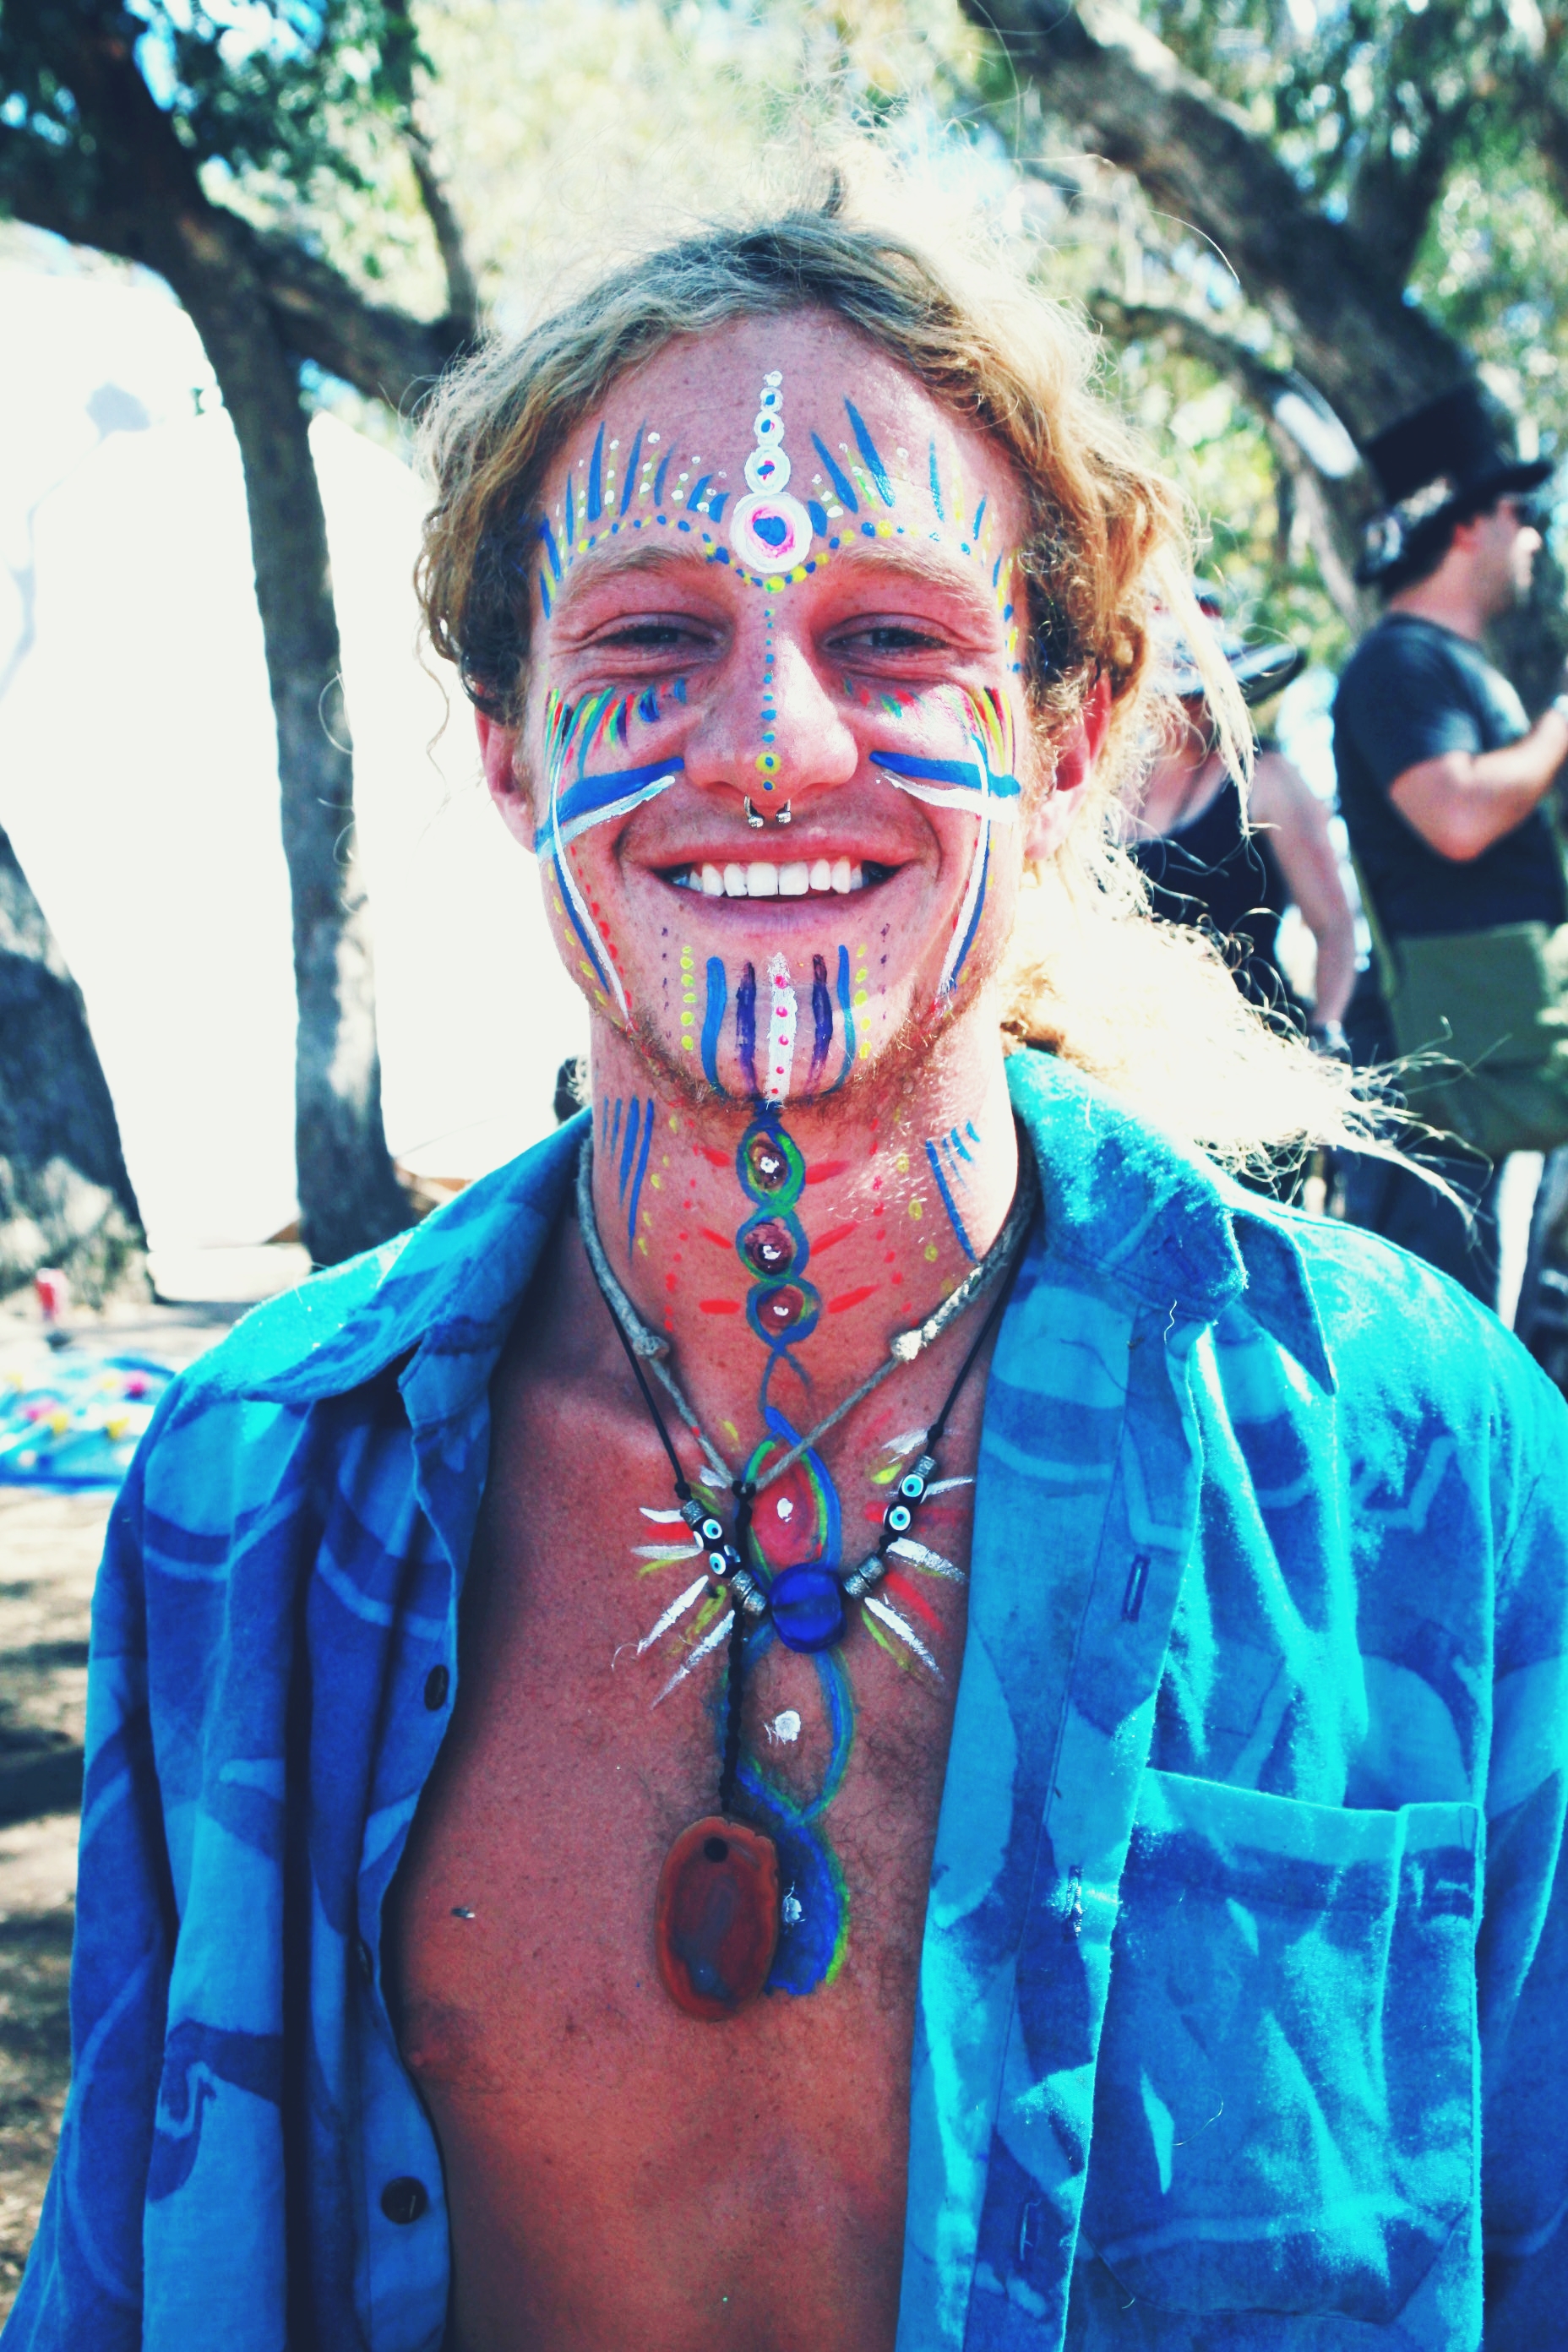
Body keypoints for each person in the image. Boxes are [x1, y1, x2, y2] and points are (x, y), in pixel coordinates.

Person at [8, 201, 1568, 2352]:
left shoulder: (1424, 1467)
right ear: (507, 741)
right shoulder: (247, 1495)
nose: (769, 745)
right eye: (651, 639)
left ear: (1070, 735)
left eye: (891, 639)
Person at [1332, 382, 1568, 1307]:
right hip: (1441, 1076)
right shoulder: (1397, 662)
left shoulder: (1449, 666)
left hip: (1488, 1056)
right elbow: (1457, 816)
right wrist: (1559, 726)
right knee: (1444, 1337)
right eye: (1521, 513)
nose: (1534, 536)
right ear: (1466, 524)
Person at [1125, 597, 1356, 1040]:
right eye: (1171, 692)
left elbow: (1334, 928)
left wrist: (1327, 1032)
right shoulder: (1117, 787)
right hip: (1138, 1043)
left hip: (1254, 1038)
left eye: (1195, 692)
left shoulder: (1265, 777)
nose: (1184, 707)